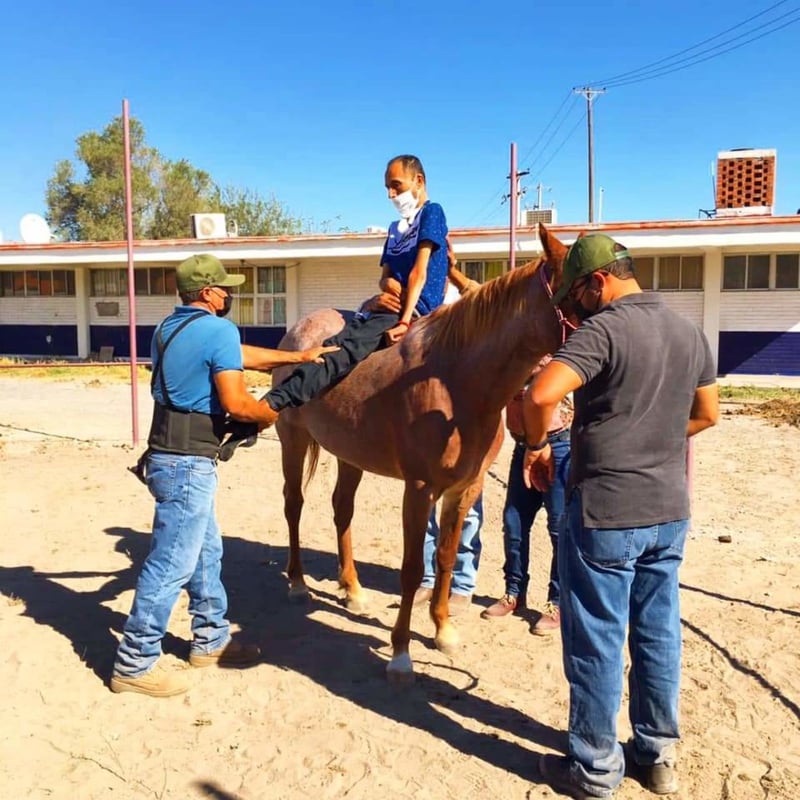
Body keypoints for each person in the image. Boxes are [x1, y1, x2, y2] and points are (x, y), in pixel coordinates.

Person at [521, 234, 719, 797]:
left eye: (575, 296)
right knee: (658, 633)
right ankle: (656, 756)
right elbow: (707, 414)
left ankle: (593, 768)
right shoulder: (688, 331)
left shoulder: (603, 330)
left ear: (598, 281)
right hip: (669, 510)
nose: (573, 309)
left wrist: (536, 446)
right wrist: (651, 438)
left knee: (597, 638)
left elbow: (540, 396)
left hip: (607, 510)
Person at [111, 254, 338, 698]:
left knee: (205, 552)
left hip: (168, 455)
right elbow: (237, 403)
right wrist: (269, 410)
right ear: (209, 292)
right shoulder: (217, 329)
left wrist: (297, 356)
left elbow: (238, 355)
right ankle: (135, 662)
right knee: (172, 561)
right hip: (187, 463)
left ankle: (210, 639)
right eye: (225, 287)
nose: (230, 294)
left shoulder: (170, 328)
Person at [262, 154, 451, 418]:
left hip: (416, 309)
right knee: (336, 342)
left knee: (345, 351)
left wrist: (405, 321)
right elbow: (385, 276)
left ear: (418, 180)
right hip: (389, 306)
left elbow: (419, 271)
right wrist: (390, 286)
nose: (391, 194)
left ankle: (273, 403)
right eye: (387, 187)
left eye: (396, 185)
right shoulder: (395, 228)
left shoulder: (432, 213)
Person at [480, 356, 571, 634]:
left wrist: (516, 363)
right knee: (514, 522)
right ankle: (514, 592)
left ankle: (558, 602)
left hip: (557, 443)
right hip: (523, 445)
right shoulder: (513, 343)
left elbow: (546, 370)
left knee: (559, 528)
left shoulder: (554, 344)